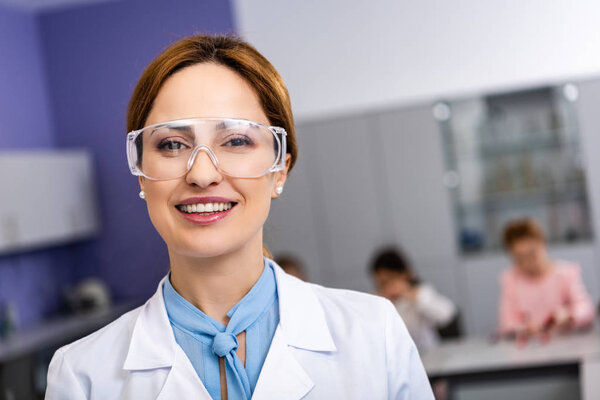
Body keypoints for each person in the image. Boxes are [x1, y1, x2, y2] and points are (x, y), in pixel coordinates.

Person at [45, 35, 433, 399]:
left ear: (279, 169)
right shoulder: (83, 377)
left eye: (235, 141)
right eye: (172, 144)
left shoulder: (374, 334)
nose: (201, 174)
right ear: (141, 170)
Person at [498, 218, 595, 341]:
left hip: (565, 344)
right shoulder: (511, 280)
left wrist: (569, 315)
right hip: (529, 349)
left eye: (532, 254)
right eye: (519, 258)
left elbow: (587, 309)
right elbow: (506, 323)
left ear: (543, 244)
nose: (527, 263)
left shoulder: (565, 274)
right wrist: (522, 327)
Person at [370, 247, 457, 352]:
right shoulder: (377, 301)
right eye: (381, 284)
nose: (386, 288)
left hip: (428, 354)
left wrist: (413, 296)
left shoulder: (421, 293)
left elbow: (447, 314)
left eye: (390, 280)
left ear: (406, 275)